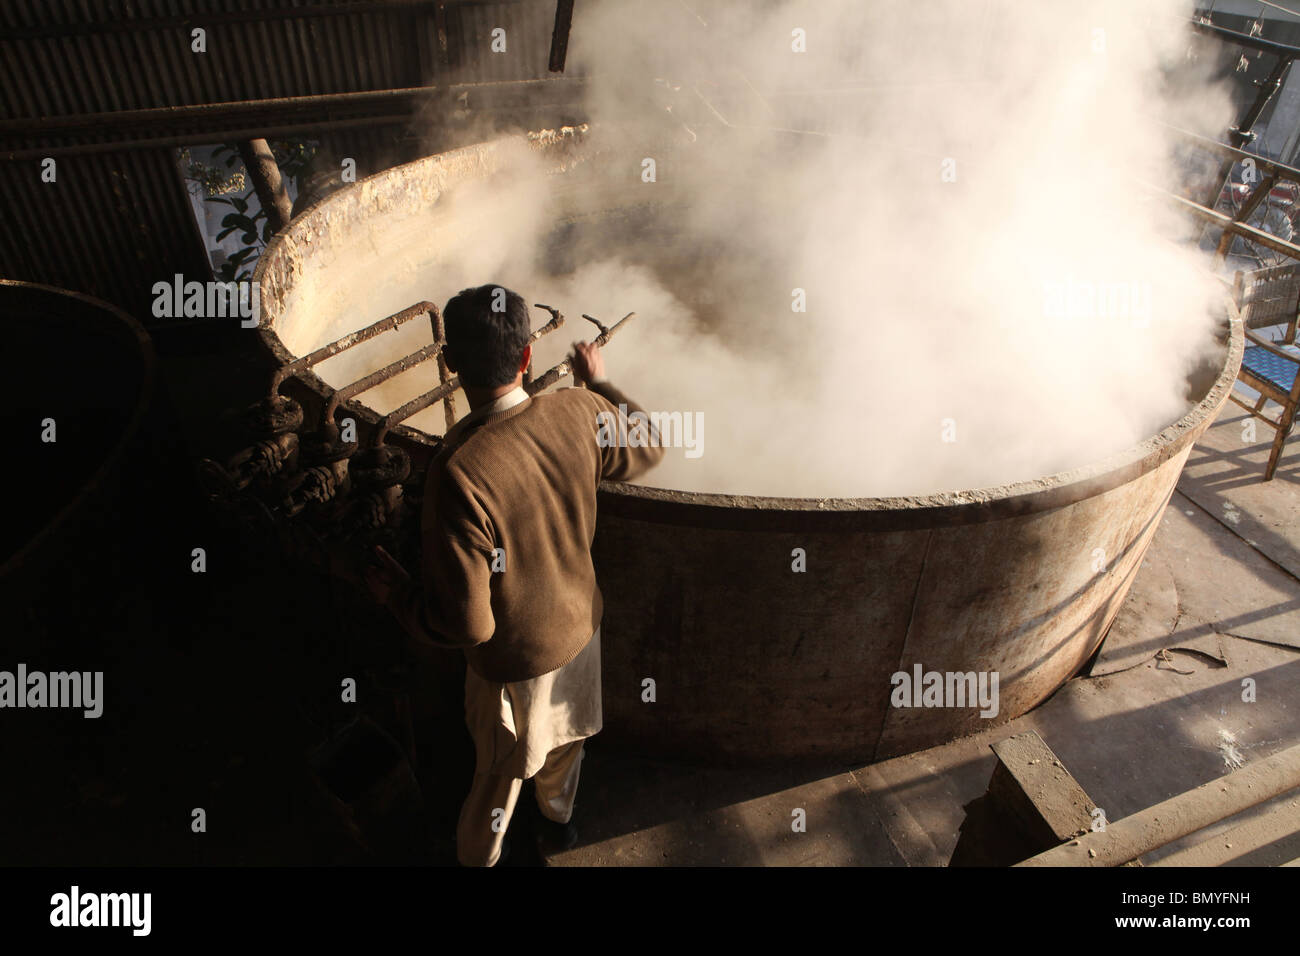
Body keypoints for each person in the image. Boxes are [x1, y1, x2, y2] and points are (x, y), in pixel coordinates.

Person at [365, 283, 664, 866]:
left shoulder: (458, 473)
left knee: (498, 780)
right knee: (566, 744)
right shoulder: (579, 410)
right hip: (581, 629)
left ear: (449, 365)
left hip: (515, 665)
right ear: (528, 354)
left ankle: (477, 858)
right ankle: (559, 829)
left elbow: (470, 625)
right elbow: (650, 446)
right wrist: (597, 383)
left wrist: (399, 597)